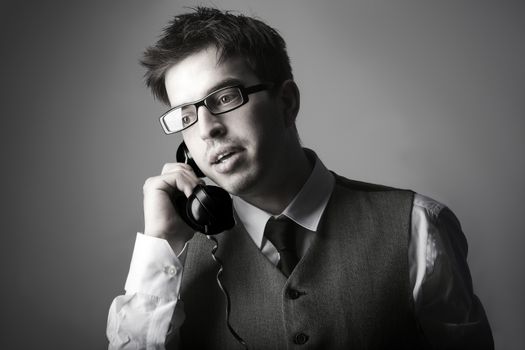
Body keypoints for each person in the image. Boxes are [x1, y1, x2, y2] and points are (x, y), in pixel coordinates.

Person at [107, 7, 494, 350]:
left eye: (224, 98)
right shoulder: (170, 260)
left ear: (287, 102)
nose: (207, 129)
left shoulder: (419, 225)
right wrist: (158, 247)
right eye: (186, 116)